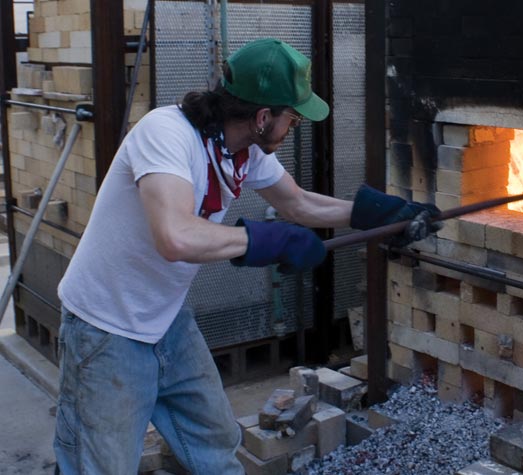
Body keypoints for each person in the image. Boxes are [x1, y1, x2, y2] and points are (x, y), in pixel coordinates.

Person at [53, 38, 440, 474]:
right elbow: (174, 237)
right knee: (102, 467)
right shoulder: (165, 135)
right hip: (105, 330)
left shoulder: (241, 151)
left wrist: (378, 214)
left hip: (165, 319)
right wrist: (266, 241)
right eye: (291, 118)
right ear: (262, 117)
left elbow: (298, 204)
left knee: (217, 444)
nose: (294, 126)